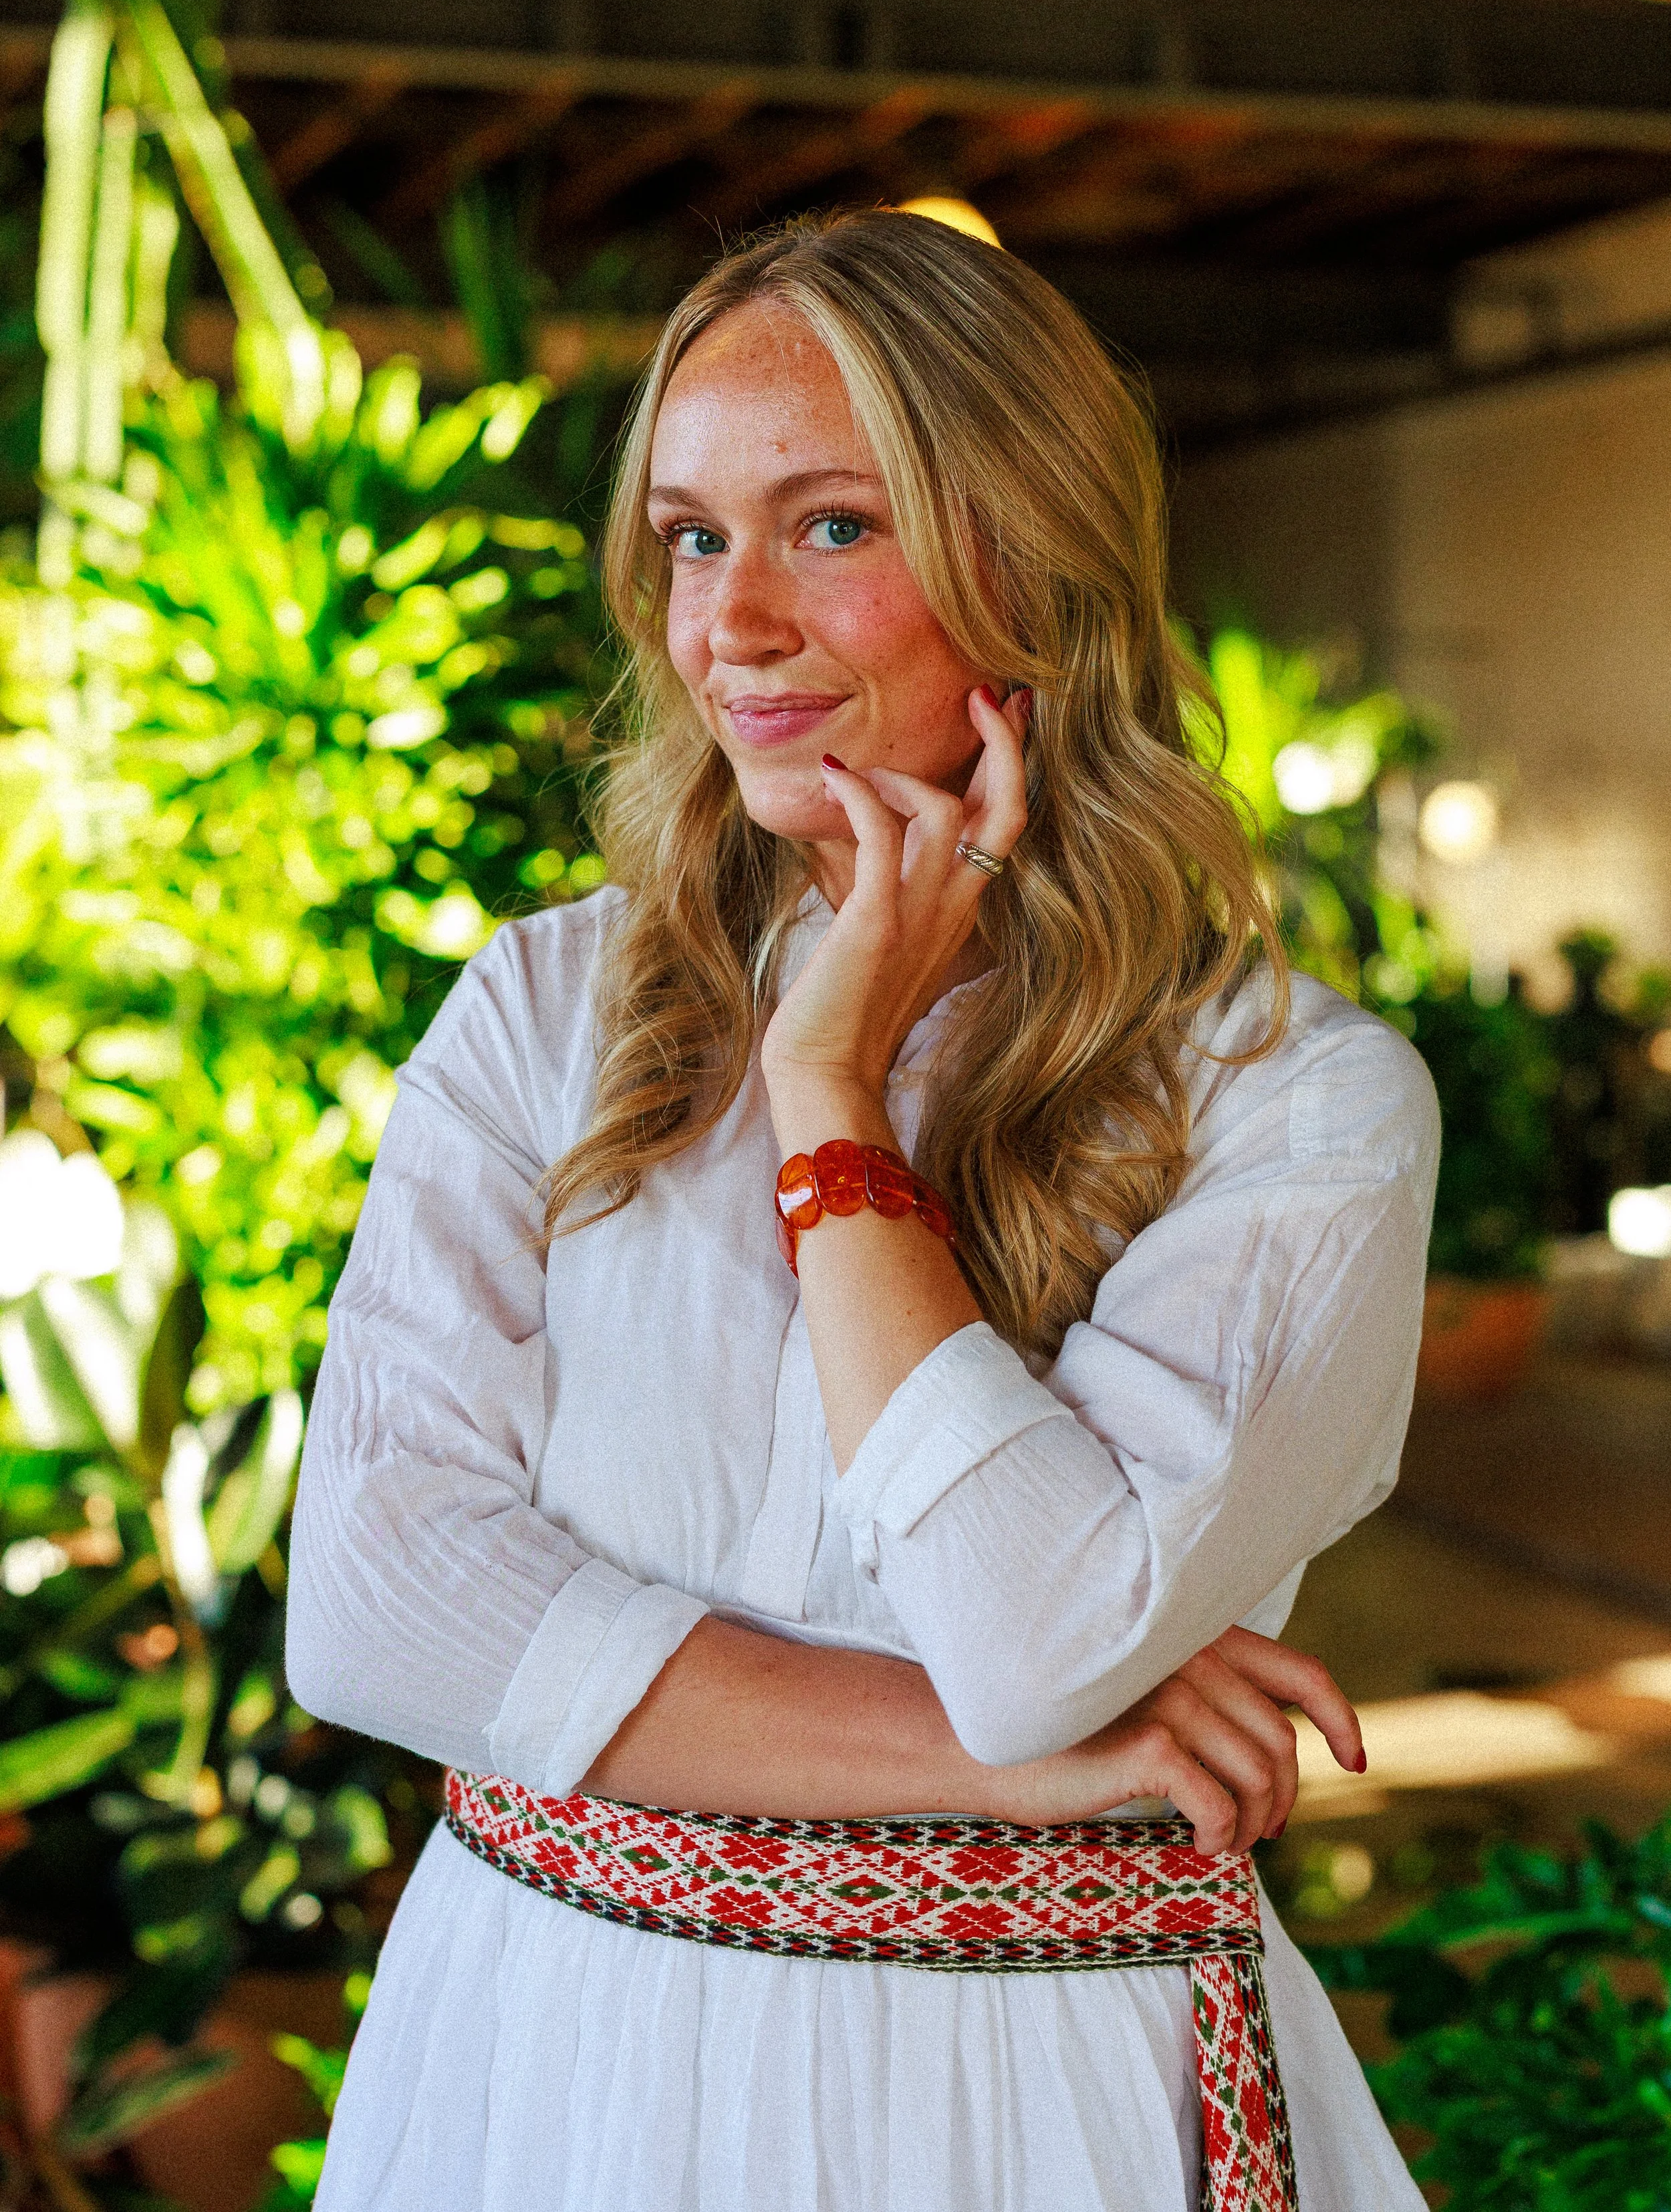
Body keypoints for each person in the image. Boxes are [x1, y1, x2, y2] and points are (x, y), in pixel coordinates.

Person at [289, 209, 1437, 2211]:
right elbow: (380, 1601)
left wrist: (829, 1098)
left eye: (832, 524)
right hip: (551, 2058)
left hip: (1019, 2091)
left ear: (1036, 552)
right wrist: (1024, 1763)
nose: (727, 623)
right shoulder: (547, 1012)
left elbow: (1033, 1636)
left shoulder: (1297, 1103)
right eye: (689, 535)